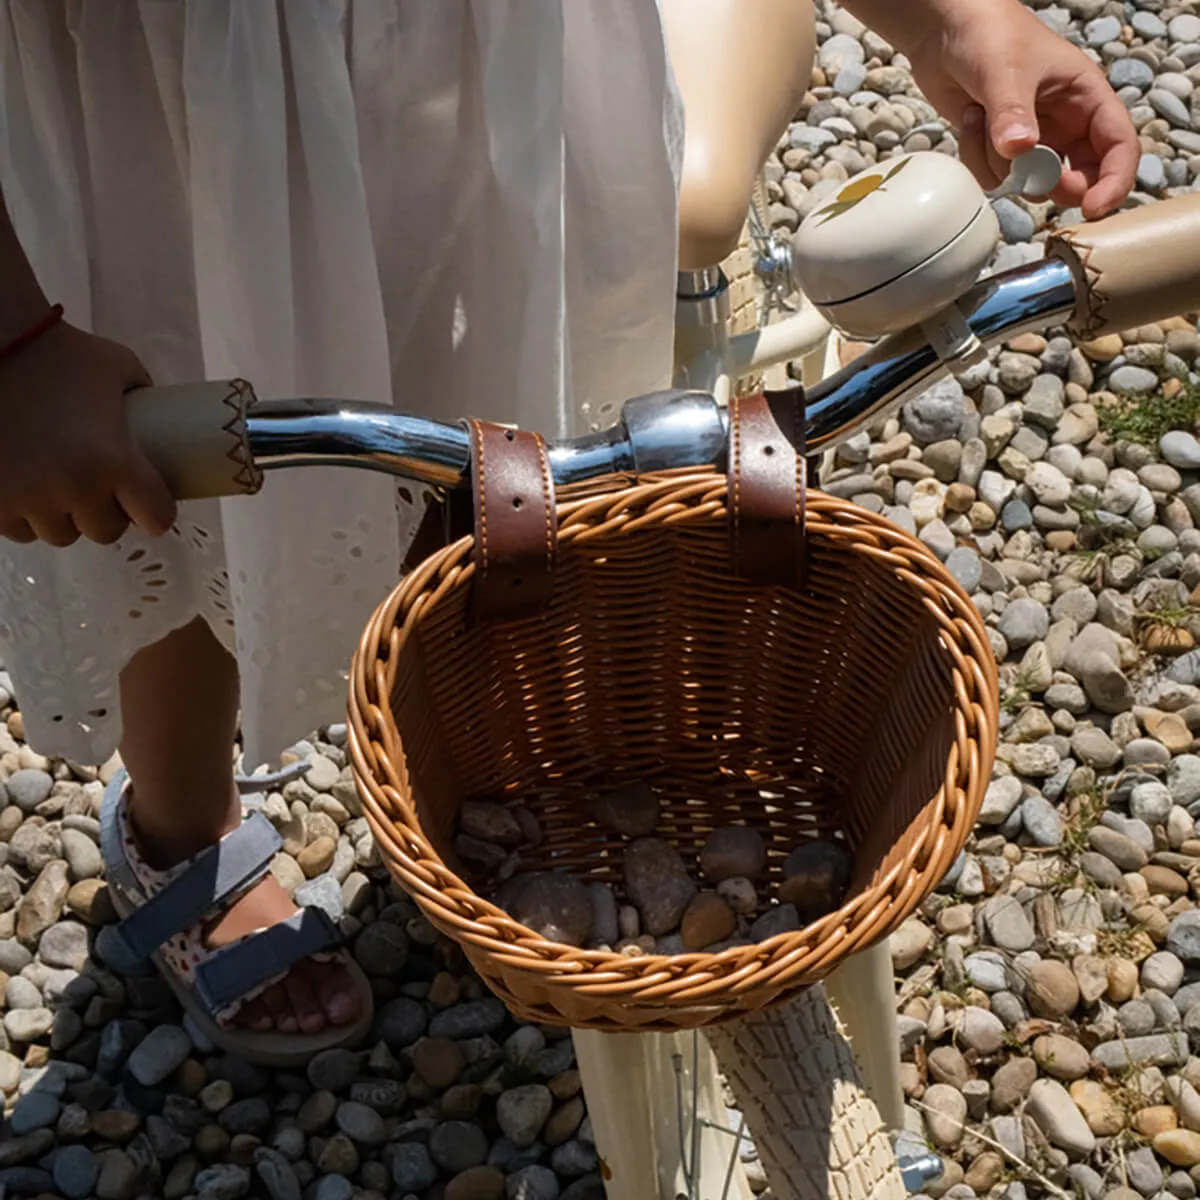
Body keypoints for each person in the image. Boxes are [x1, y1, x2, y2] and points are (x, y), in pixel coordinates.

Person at [0, 0, 1137, 1061]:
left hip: (509, 90)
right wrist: (15, 343)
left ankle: (484, 728)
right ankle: (176, 828)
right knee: (165, 486)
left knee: (499, 455)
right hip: (166, 116)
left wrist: (947, 20)